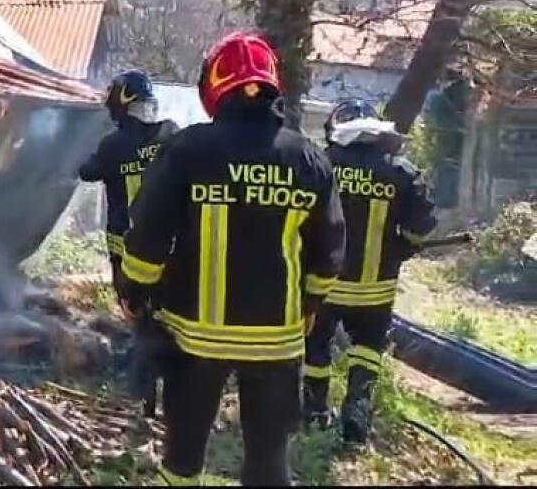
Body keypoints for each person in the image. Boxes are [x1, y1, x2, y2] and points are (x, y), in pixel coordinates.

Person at [122, 31, 346, 486]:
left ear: (215, 84)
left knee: (182, 461)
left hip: (194, 342)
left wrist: (134, 293)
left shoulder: (186, 150)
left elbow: (147, 238)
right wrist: (309, 306)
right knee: (268, 464)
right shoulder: (307, 157)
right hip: (277, 343)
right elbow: (328, 253)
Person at [304, 98, 437, 444]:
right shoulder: (402, 171)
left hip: (325, 285)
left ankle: (315, 411)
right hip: (376, 289)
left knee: (315, 346)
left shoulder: (321, 165)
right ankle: (357, 412)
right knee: (368, 348)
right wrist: (404, 246)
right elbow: (419, 229)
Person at [78, 70, 179, 310]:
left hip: (125, 248)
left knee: (132, 308)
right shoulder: (170, 134)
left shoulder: (112, 145)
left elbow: (87, 171)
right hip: (167, 245)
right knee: (164, 307)